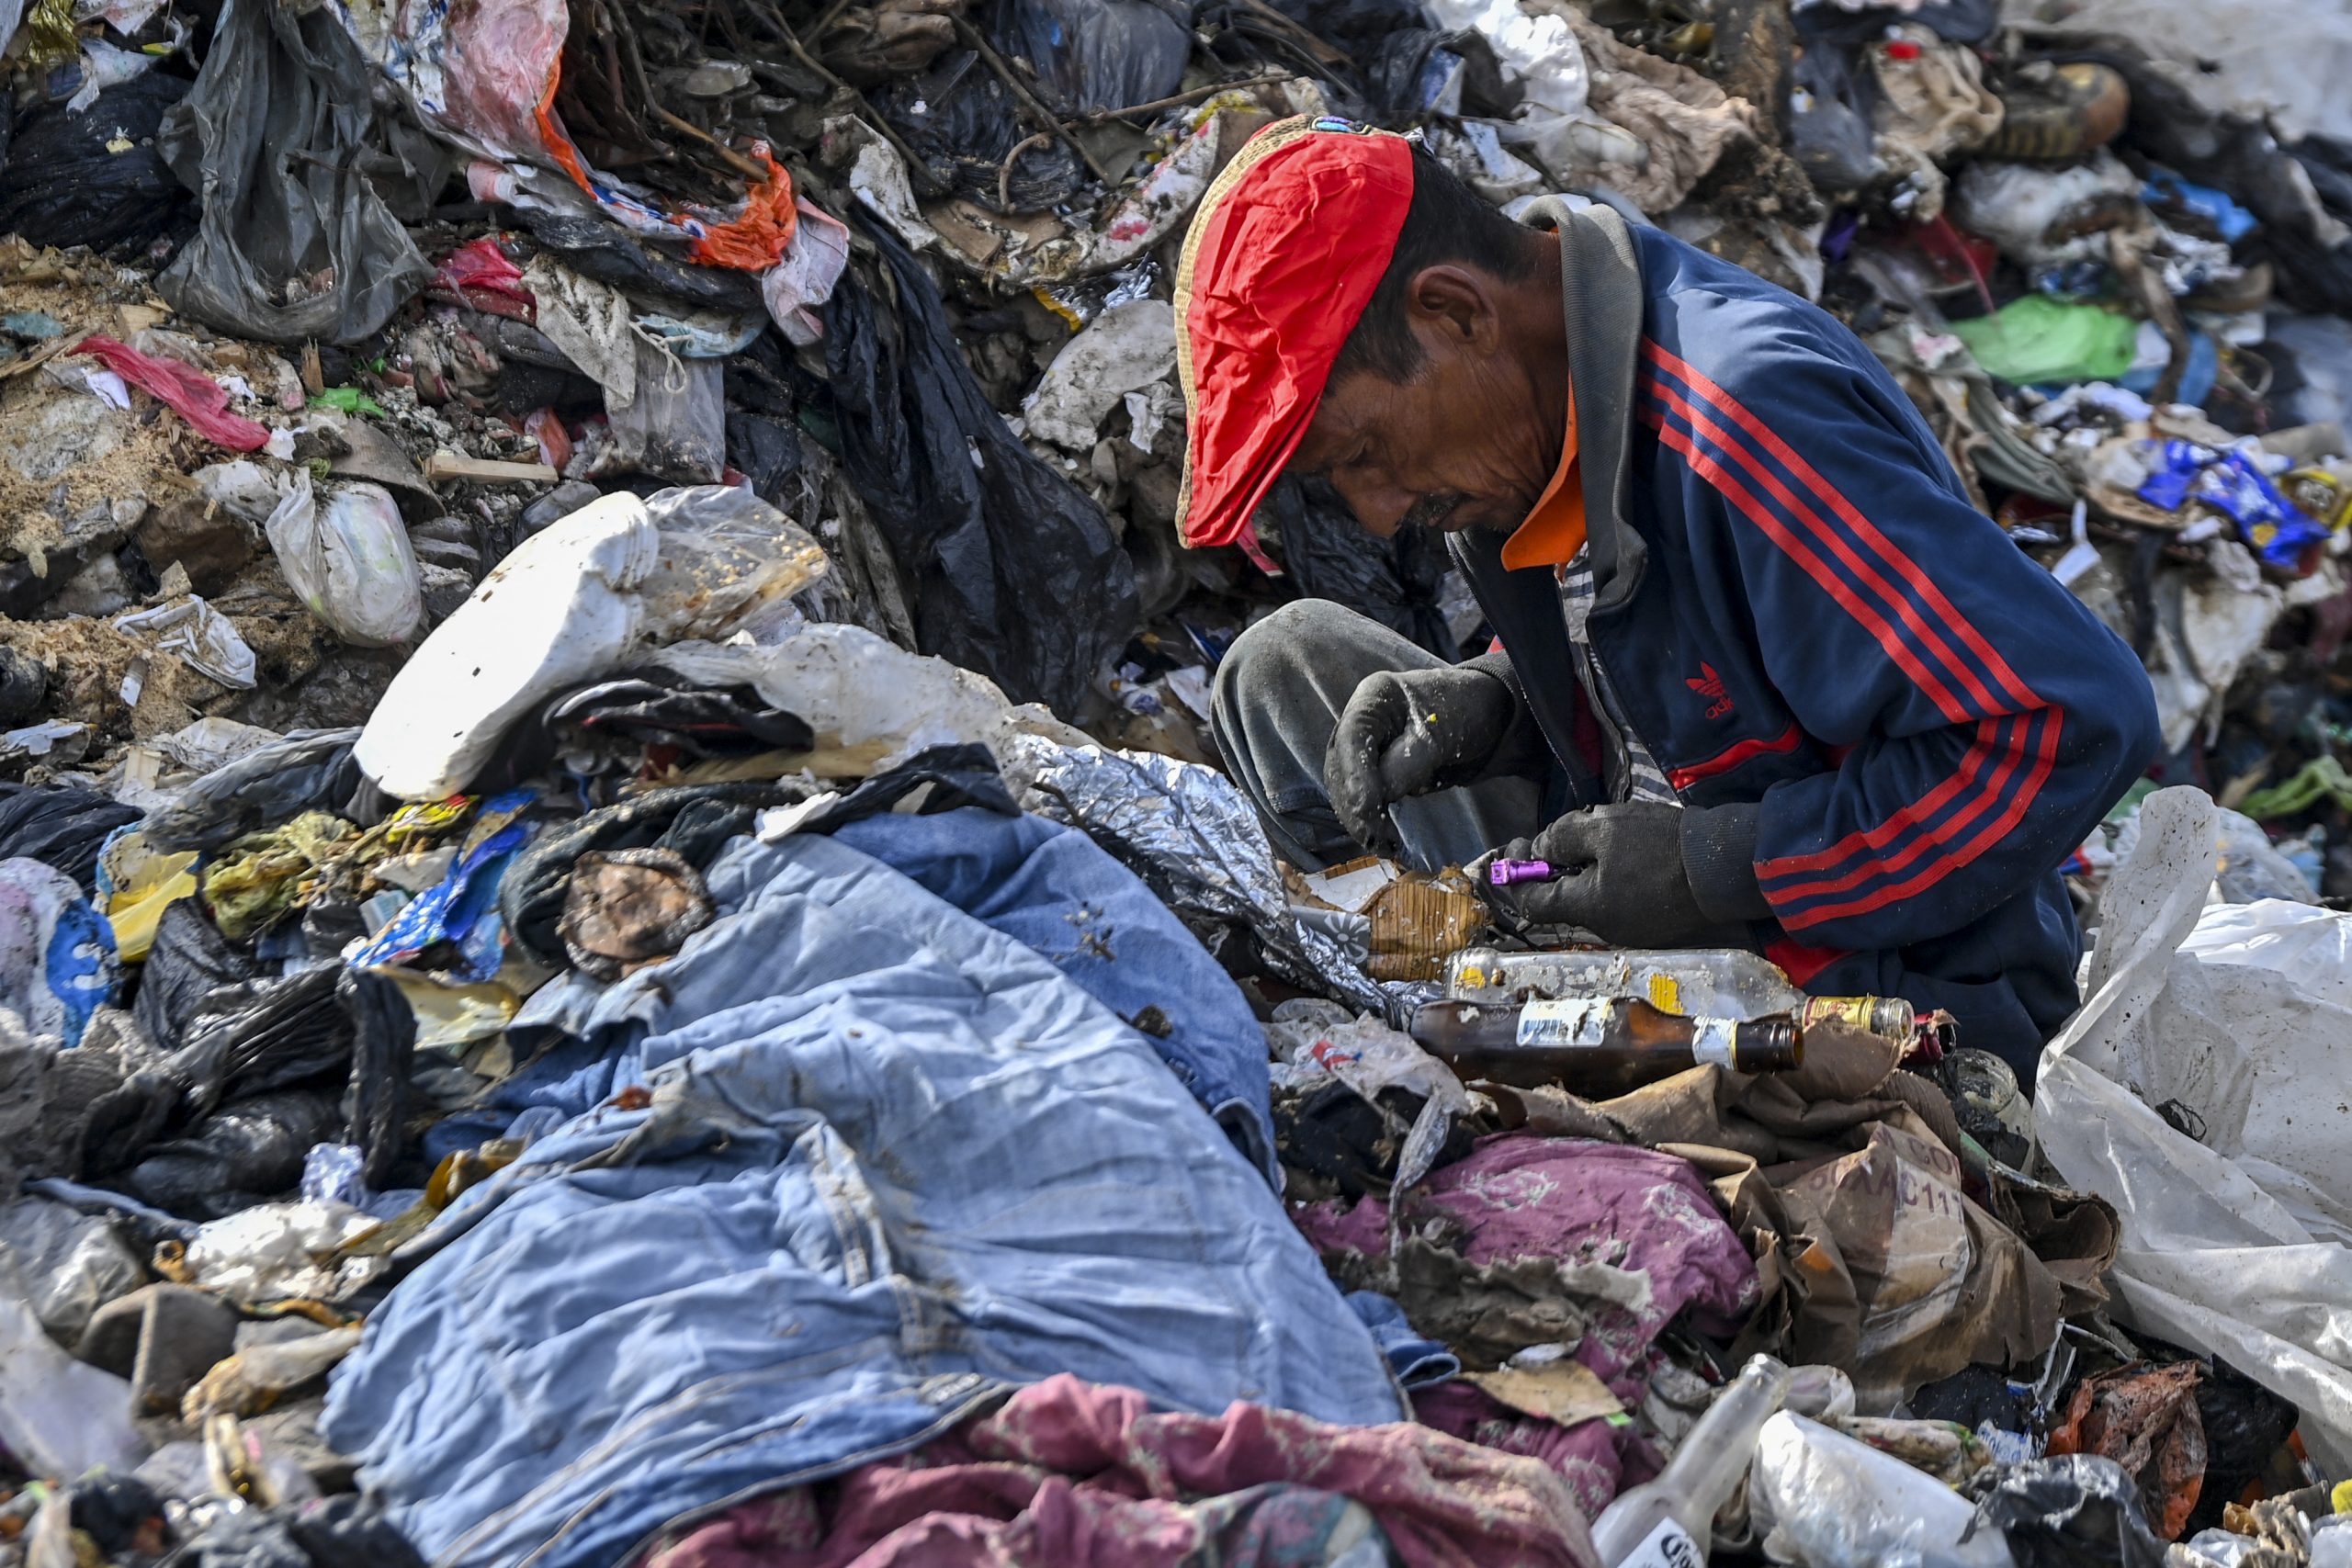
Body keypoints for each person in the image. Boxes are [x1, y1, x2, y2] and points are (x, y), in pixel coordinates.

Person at [1179, 118, 2160, 1077]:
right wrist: (1506, 705)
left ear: (1455, 312)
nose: (1378, 511)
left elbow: (2065, 722)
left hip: (1852, 994)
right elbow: (1667, 663)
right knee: (1283, 665)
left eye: (1363, 455)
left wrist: (1717, 867)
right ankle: (1400, 983)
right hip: (1623, 895)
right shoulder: (1525, 393)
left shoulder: (1746, 423)